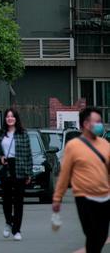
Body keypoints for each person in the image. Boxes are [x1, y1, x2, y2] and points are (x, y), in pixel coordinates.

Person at [52, 106, 110, 253]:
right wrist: (57, 198)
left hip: (104, 197)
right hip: (84, 197)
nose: (99, 125)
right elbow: (64, 175)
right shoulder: (73, 146)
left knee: (102, 235)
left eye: (100, 121)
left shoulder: (105, 145)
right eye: (96, 121)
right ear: (85, 124)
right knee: (91, 234)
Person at [0, 108, 32, 241]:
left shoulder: (23, 133)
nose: (10, 118)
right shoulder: (1, 134)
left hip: (19, 167)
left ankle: (17, 230)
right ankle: (9, 222)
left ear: (16, 118)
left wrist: (29, 173)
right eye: (7, 116)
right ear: (5, 119)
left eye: (12, 116)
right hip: (6, 167)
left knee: (19, 201)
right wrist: (0, 157)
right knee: (6, 199)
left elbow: (28, 154)